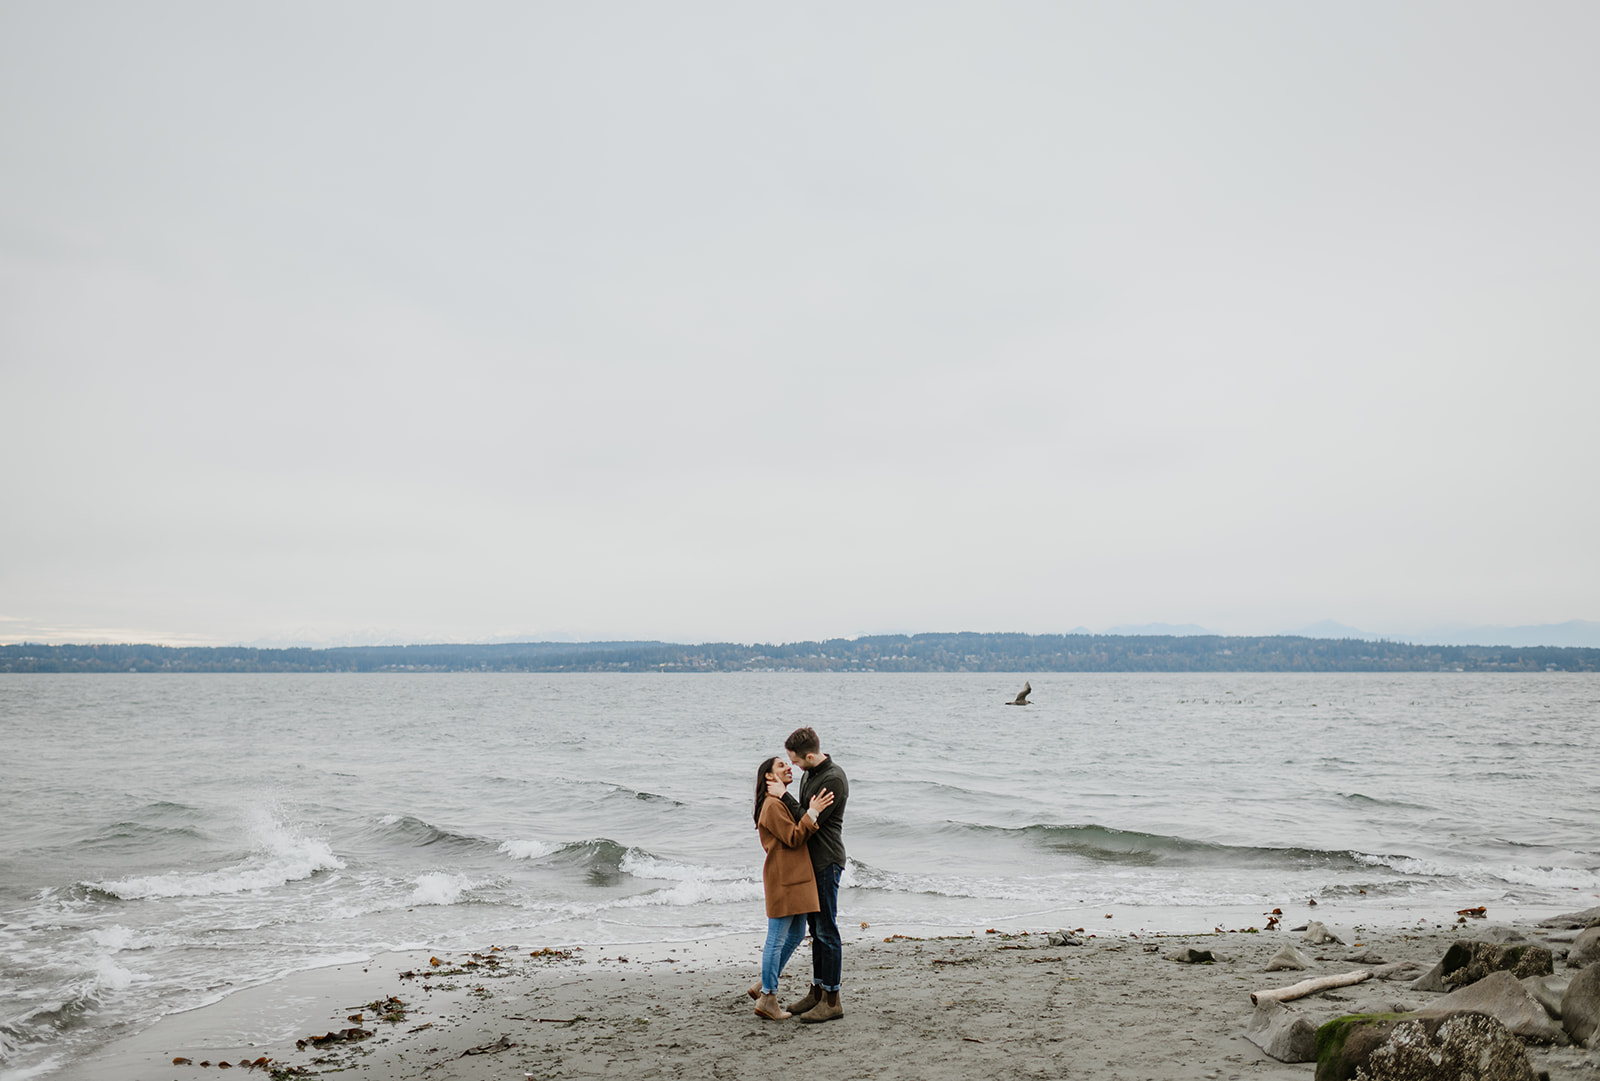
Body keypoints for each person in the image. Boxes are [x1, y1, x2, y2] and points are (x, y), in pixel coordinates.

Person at [750, 755, 834, 1020]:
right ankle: (768, 996)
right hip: (784, 878)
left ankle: (764, 983)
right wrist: (813, 812)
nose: (789, 767)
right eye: (781, 765)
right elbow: (794, 836)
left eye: (788, 764)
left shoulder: (777, 801)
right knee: (775, 939)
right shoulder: (772, 805)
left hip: (794, 877)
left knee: (796, 933)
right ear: (768, 776)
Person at [780, 725, 849, 1023]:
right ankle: (818, 991)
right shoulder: (810, 773)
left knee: (826, 929)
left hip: (826, 860)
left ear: (810, 755)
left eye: (795, 760)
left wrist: (782, 795)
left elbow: (807, 818)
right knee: (815, 929)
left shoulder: (833, 779)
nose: (793, 766)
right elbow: (805, 815)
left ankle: (832, 1000)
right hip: (811, 861)